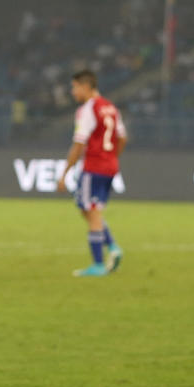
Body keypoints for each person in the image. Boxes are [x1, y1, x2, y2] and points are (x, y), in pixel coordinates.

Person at [57, 69, 126, 277]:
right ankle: (113, 247)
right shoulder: (110, 107)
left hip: (94, 166)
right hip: (110, 166)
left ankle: (98, 264)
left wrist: (65, 173)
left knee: (92, 211)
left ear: (86, 86)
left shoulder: (88, 109)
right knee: (87, 209)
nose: (73, 91)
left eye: (75, 87)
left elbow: (79, 144)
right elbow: (122, 137)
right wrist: (112, 157)